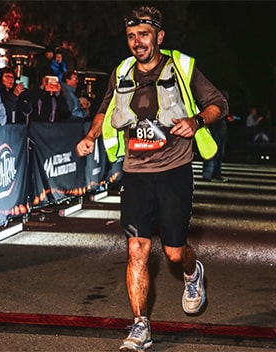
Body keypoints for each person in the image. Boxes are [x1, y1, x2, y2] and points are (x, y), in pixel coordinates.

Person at [74, 6, 228, 351]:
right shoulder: (122, 71)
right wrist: (90, 136)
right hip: (136, 174)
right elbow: (106, 107)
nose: (137, 42)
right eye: (131, 36)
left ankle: (192, 272)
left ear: (159, 36)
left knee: (174, 253)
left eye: (143, 35)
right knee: (137, 250)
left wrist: (197, 121)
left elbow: (219, 103)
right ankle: (140, 325)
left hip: (174, 172)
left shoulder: (182, 67)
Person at [202, 89, 232, 182]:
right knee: (214, 154)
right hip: (216, 132)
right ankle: (210, 174)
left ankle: (213, 174)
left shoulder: (217, 107)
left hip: (219, 132)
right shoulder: (216, 106)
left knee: (217, 154)